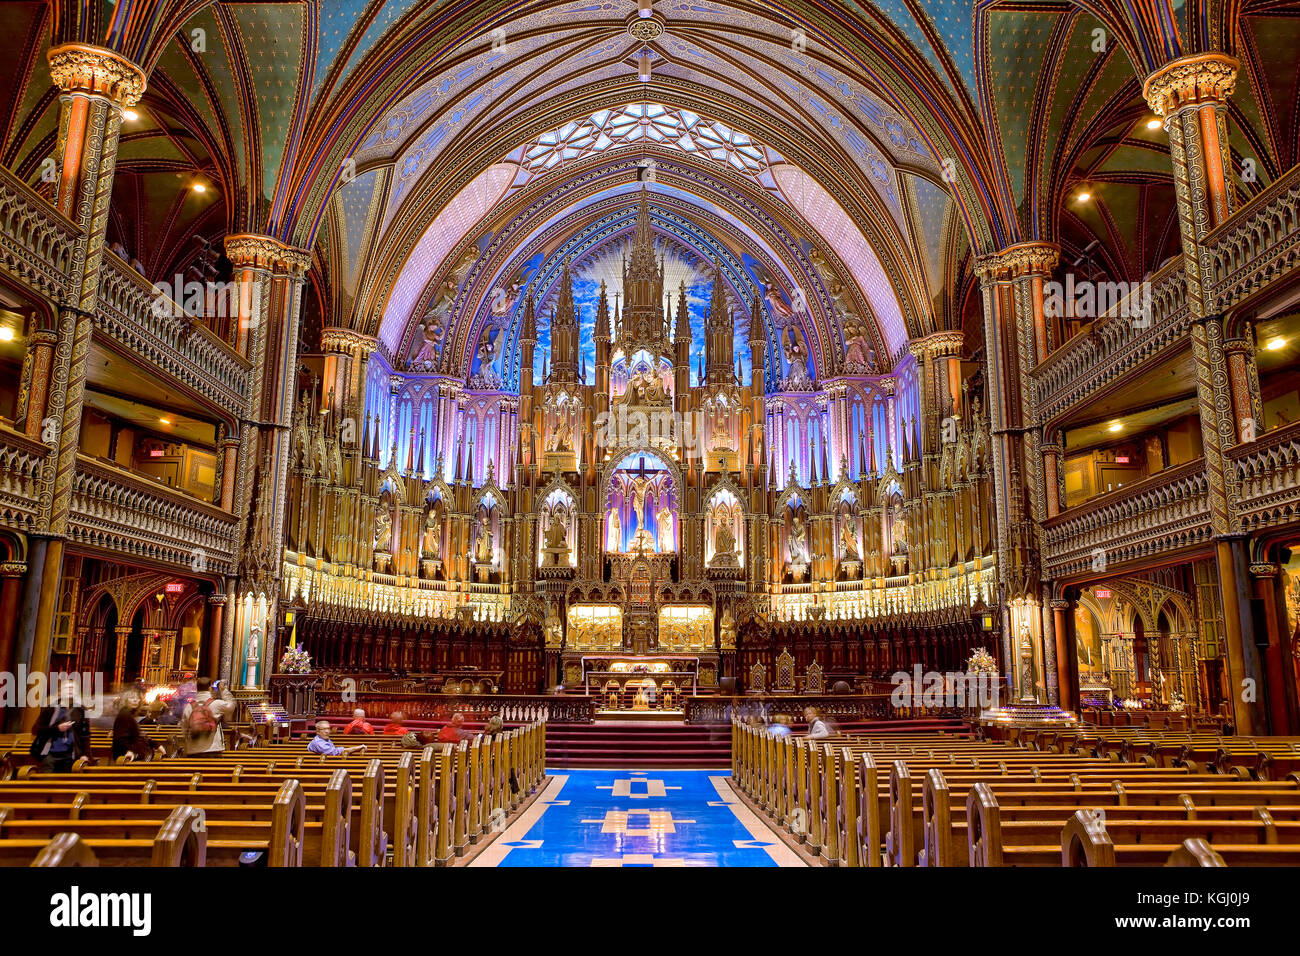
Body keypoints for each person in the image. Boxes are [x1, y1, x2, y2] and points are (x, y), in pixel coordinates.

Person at [31, 679, 89, 772]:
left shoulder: (81, 710)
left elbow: (85, 735)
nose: (70, 690)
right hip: (50, 754)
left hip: (71, 756)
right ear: (60, 692)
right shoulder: (50, 709)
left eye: (72, 688)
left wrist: (85, 754)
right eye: (67, 688)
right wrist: (57, 729)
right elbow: (36, 730)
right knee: (45, 782)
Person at [182, 677, 237, 755]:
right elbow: (231, 706)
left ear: (197, 688)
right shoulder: (217, 704)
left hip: (193, 750)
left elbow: (184, 729)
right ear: (210, 688)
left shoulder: (188, 707)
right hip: (213, 748)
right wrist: (223, 690)